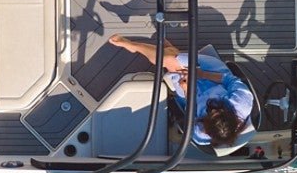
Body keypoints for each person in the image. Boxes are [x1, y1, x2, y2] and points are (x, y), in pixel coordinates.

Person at [108, 34, 253, 147]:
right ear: (231, 114)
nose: (212, 109)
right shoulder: (242, 103)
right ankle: (134, 46)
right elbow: (230, 80)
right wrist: (201, 74)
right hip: (213, 73)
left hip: (191, 94)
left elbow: (189, 113)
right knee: (169, 60)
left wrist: (187, 90)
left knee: (171, 62)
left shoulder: (201, 134)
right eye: (217, 110)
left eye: (209, 114)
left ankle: (169, 51)